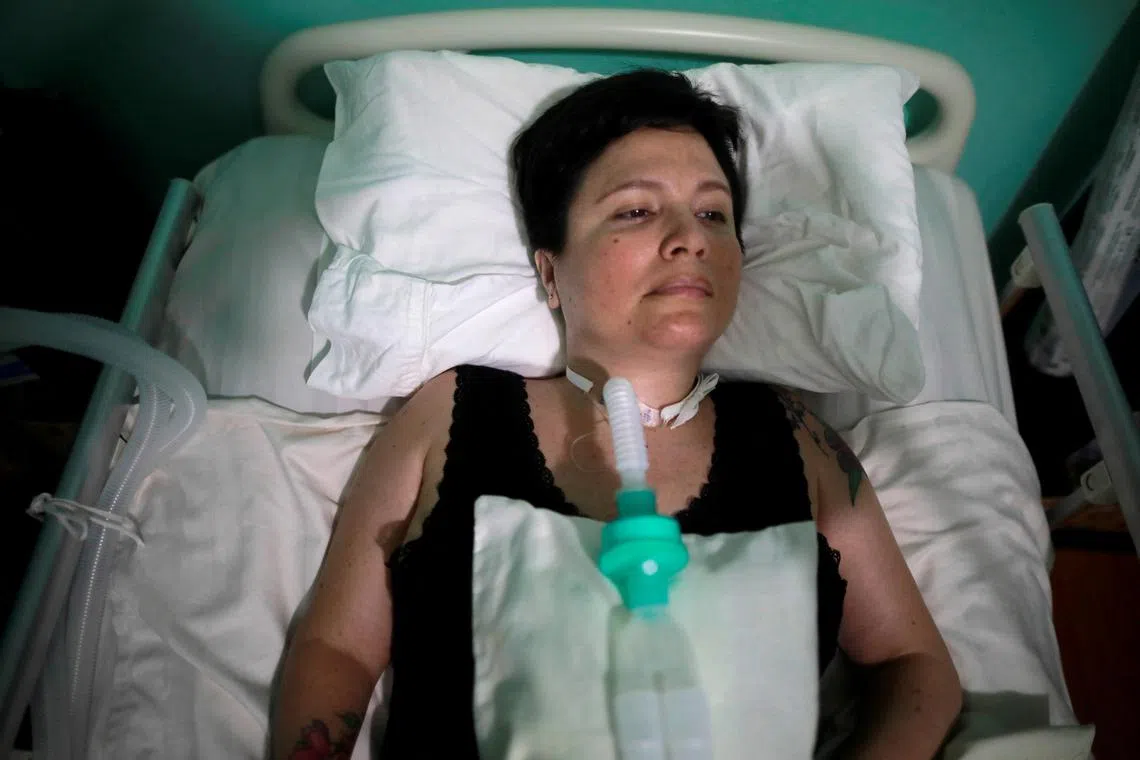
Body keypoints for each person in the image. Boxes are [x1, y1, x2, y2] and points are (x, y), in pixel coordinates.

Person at [272, 69, 962, 760]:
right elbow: (337, 649)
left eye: (713, 213)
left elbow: (914, 663)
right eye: (636, 210)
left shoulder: (797, 438)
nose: (689, 238)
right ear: (549, 273)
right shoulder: (453, 412)